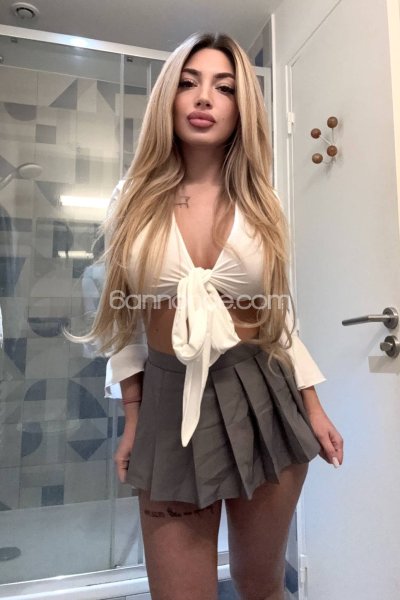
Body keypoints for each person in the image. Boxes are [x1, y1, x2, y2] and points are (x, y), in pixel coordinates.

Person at [66, 31, 344, 600]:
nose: (203, 98)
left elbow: (278, 319)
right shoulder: (132, 198)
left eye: (224, 87)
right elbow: (125, 326)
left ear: (242, 107)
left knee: (260, 585)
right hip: (170, 401)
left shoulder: (262, 200)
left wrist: (313, 406)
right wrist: (135, 418)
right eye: (188, 83)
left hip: (264, 392)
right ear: (168, 97)